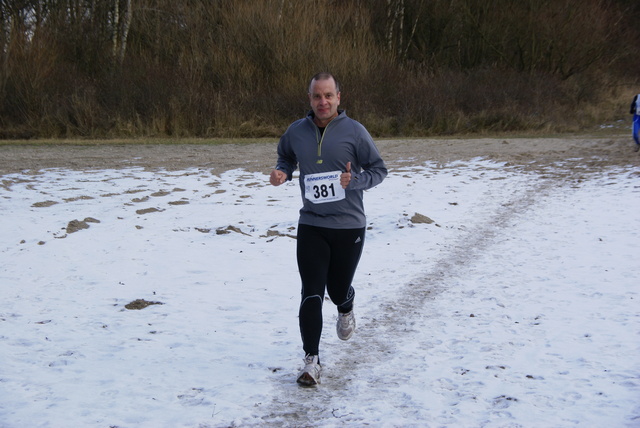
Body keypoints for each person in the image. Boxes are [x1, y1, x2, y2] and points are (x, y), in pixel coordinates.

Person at [270, 72, 387, 386]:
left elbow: (379, 169)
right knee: (311, 291)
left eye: (328, 96)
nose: (322, 102)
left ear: (338, 97)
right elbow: (286, 156)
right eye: (316, 96)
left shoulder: (354, 132)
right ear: (310, 99)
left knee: (336, 291)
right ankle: (311, 361)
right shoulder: (296, 131)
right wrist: (282, 171)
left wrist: (356, 181)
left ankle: (346, 305)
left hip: (349, 226)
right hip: (312, 224)